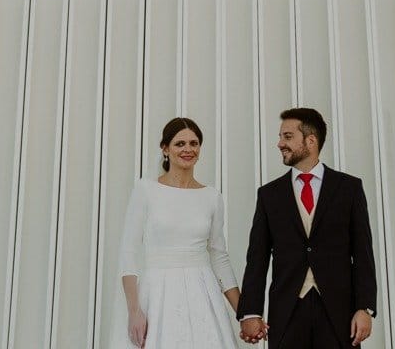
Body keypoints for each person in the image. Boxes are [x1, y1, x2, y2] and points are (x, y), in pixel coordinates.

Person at [237, 108, 377, 348]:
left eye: (288, 136)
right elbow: (257, 258)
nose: (280, 143)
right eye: (281, 137)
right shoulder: (269, 195)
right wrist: (250, 312)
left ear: (311, 140)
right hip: (287, 311)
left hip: (339, 312)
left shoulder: (349, 188)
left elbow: (363, 253)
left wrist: (364, 308)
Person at [111, 117, 246, 348]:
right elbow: (129, 252)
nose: (188, 149)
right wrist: (134, 311)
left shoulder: (211, 196)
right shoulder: (146, 190)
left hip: (202, 293)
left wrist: (245, 314)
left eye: (194, 143)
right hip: (157, 294)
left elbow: (219, 256)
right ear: (165, 149)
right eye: (180, 143)